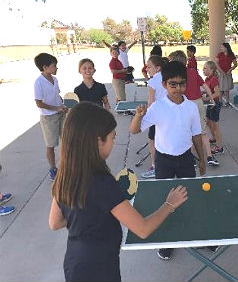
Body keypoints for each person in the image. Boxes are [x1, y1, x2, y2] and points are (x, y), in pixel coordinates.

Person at [49, 102, 187, 282]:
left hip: (74, 263)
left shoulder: (65, 174)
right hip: (101, 269)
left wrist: (96, 211)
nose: (114, 143)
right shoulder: (103, 183)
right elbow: (143, 229)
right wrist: (170, 203)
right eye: (112, 137)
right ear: (98, 141)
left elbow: (55, 223)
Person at [130, 61, 205, 260]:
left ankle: (193, 236)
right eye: (173, 84)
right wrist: (138, 116)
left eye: (182, 84)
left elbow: (197, 135)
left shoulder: (191, 107)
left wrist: (203, 161)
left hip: (186, 159)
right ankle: (167, 241)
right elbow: (134, 130)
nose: (178, 88)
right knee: (166, 202)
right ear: (164, 85)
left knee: (189, 197)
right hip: (163, 161)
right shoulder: (157, 107)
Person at [168, 50, 220, 160]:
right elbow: (205, 86)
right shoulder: (193, 71)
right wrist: (212, 99)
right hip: (198, 103)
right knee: (203, 131)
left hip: (185, 104)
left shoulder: (175, 76)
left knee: (187, 132)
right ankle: (209, 156)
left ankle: (190, 157)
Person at [34, 53, 67, 181]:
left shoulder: (55, 79)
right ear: (45, 67)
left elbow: (57, 95)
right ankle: (53, 169)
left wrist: (63, 105)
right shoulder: (38, 82)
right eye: (54, 66)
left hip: (61, 114)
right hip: (49, 118)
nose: (56, 68)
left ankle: (66, 166)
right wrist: (56, 108)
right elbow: (39, 103)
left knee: (66, 141)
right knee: (51, 145)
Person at [141, 55, 168, 179]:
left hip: (156, 116)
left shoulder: (152, 81)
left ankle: (155, 166)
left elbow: (151, 102)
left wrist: (145, 116)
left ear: (158, 68)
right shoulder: (168, 78)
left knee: (152, 141)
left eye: (149, 66)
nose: (147, 69)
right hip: (169, 114)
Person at [203, 61, 222, 165]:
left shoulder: (214, 79)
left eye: (206, 68)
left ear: (212, 70)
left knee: (215, 125)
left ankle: (219, 146)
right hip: (210, 104)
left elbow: (217, 93)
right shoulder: (207, 79)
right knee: (209, 122)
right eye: (203, 68)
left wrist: (208, 98)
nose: (204, 70)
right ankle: (214, 138)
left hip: (215, 104)